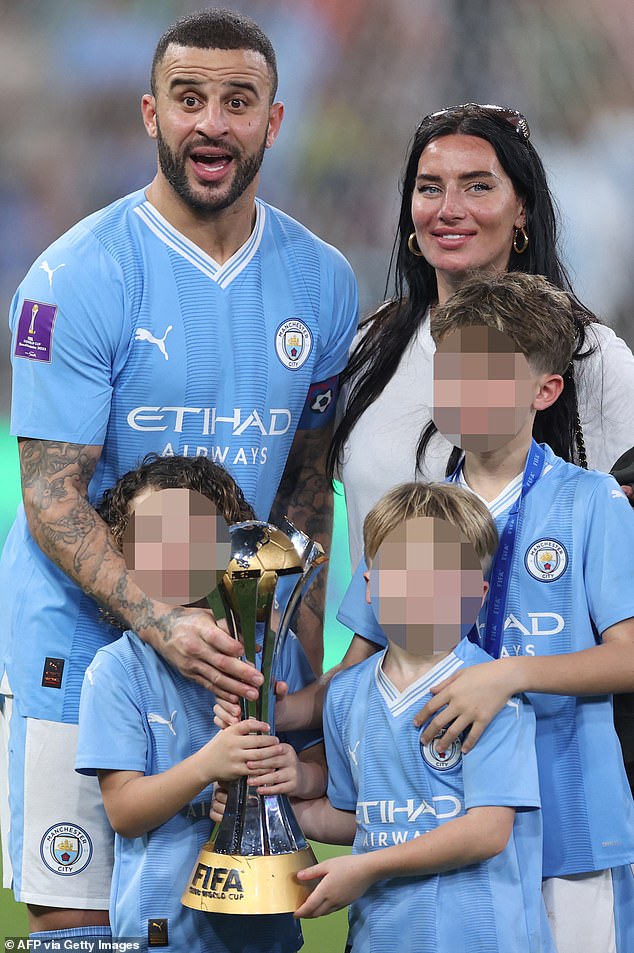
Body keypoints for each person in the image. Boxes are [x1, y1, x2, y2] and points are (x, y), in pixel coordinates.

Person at [0, 8, 357, 942]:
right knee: (77, 917)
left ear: (274, 122)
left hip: (232, 655)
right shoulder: (72, 276)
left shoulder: (323, 283)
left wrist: (293, 652)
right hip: (79, 641)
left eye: (239, 102)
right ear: (149, 113)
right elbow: (49, 494)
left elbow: (304, 489)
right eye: (189, 99)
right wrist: (160, 620)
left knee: (229, 910)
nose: (213, 122)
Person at [384, 272, 634, 953]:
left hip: (570, 823)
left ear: (544, 390)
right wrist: (273, 707)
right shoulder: (413, 514)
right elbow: (367, 661)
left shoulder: (592, 502)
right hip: (440, 816)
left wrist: (508, 674)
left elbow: (629, 654)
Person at [329, 101, 634, 572]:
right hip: (390, 645)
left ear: (522, 209)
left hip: (548, 645)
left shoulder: (590, 357)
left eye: (478, 186)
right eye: (430, 188)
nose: (449, 210)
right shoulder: (369, 349)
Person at [287, 481, 555, 953]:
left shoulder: (490, 692)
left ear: (478, 593)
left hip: (480, 940)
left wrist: (367, 867)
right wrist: (276, 808)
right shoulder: (345, 695)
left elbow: (487, 831)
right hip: (378, 937)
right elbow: (355, 818)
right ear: (370, 587)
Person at [75, 453, 326, 953]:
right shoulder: (117, 669)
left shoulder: (276, 651)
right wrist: (210, 766)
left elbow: (322, 767)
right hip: (160, 931)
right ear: (123, 554)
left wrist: (294, 774)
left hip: (265, 926)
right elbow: (124, 810)